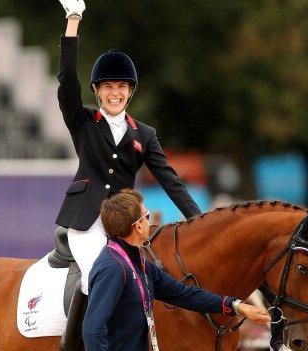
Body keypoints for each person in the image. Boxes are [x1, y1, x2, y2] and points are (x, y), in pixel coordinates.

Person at [54, 0, 203, 347]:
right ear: (97, 91)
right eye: (107, 86)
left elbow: (170, 181)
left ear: (130, 91)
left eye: (121, 86)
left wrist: (199, 221)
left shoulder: (144, 134)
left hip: (126, 224)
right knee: (99, 278)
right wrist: (73, 21)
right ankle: (74, 342)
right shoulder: (83, 121)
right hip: (87, 220)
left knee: (154, 279)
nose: (114, 92)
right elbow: (65, 81)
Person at [83, 189, 271, 351]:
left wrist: (237, 306)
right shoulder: (112, 267)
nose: (149, 221)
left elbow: (184, 294)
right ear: (138, 226)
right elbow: (93, 329)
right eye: (146, 216)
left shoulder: (139, 263)